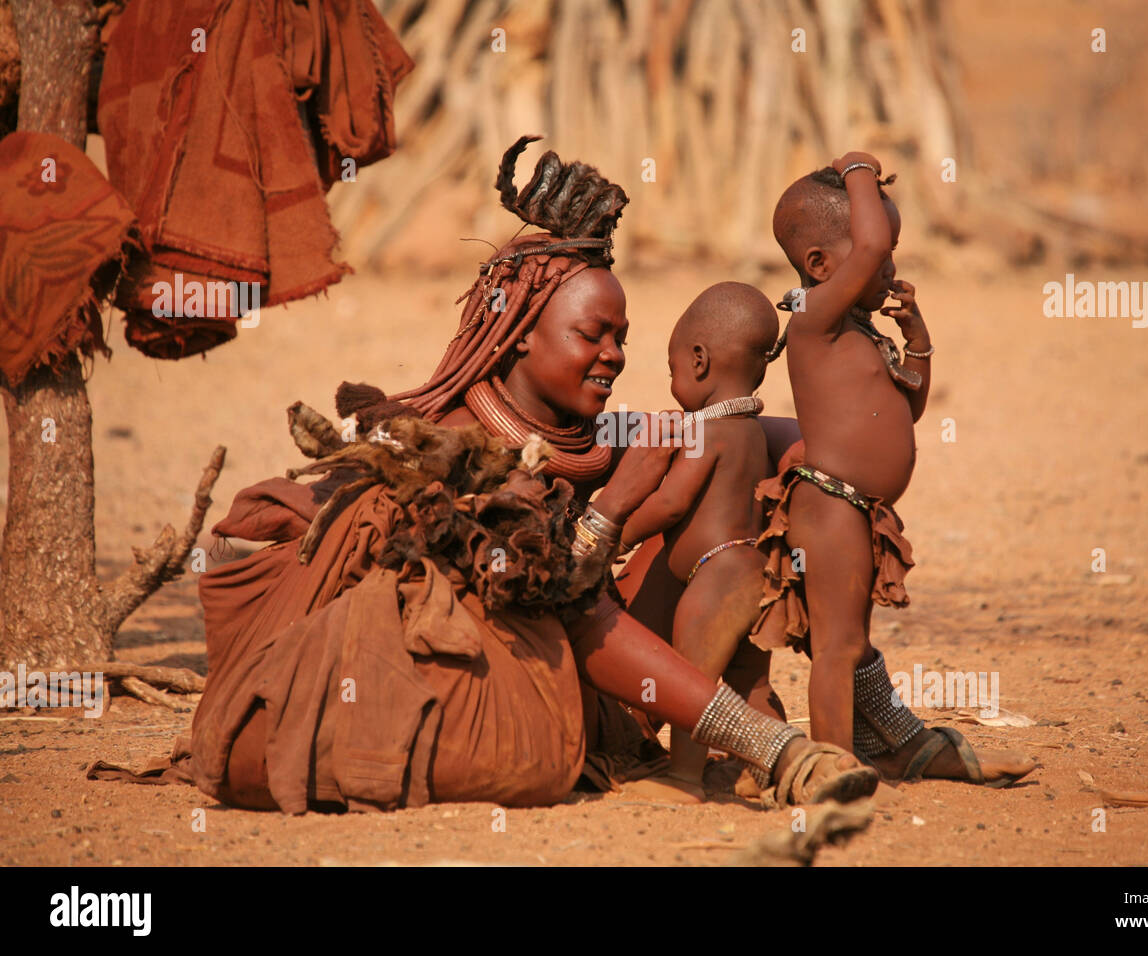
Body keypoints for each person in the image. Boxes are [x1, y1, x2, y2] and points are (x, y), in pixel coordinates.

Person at [107, 137, 879, 812]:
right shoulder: (447, 446)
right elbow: (548, 589)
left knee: (761, 491)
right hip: (466, 665)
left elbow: (745, 431)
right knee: (573, 593)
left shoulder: (593, 435)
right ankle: (773, 747)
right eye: (591, 335)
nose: (613, 356)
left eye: (623, 337)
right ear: (516, 335)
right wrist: (609, 509)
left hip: (592, 669)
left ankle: (883, 723)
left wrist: (835, 428)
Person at [754, 151, 1035, 786]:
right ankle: (831, 770)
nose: (890, 263)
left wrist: (918, 339)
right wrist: (857, 167)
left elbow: (909, 404)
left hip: (856, 511)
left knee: (849, 641)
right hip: (828, 508)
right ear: (824, 266)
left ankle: (880, 749)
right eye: (878, 256)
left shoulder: (856, 333)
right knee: (837, 648)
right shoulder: (814, 320)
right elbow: (871, 233)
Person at [615, 282, 780, 801]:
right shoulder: (751, 430)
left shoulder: (708, 432)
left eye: (672, 371)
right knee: (749, 681)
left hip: (718, 573)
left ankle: (684, 778)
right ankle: (768, 765)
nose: (671, 383)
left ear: (699, 361)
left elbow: (671, 503)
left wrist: (617, 531)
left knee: (694, 675)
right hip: (754, 573)